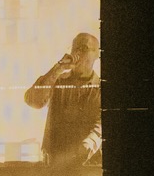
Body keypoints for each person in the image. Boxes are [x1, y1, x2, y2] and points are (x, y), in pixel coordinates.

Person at [24, 31, 101, 166]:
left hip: (87, 167)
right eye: (75, 48)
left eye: (83, 48)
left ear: (96, 55)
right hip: (55, 165)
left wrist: (86, 146)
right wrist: (57, 69)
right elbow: (33, 101)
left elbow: (102, 124)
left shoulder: (101, 88)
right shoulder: (57, 81)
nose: (78, 53)